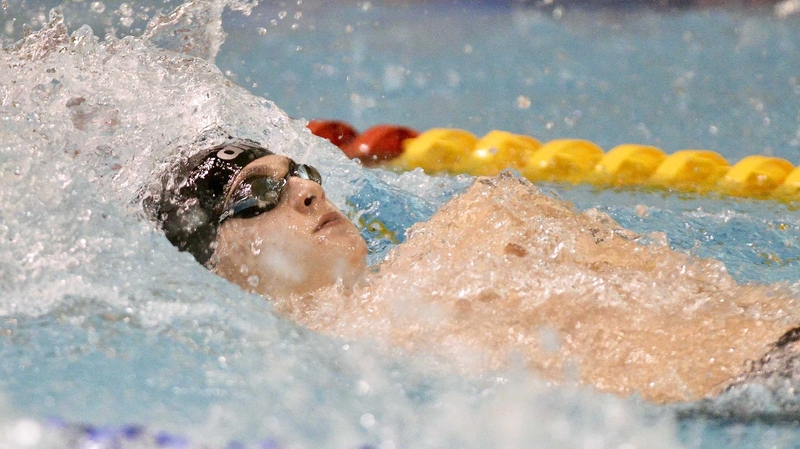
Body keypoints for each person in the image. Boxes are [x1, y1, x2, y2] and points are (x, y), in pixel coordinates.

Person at [151, 137, 800, 404]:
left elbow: (704, 288)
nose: (308, 193)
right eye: (257, 194)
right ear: (217, 262)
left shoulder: (487, 215)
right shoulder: (327, 374)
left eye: (302, 174)